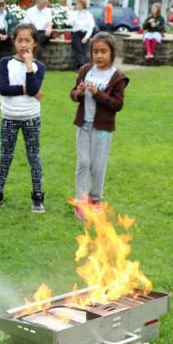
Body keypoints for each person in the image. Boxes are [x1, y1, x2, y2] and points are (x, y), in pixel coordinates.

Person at [0, 23, 46, 213]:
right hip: (9, 117)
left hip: (31, 118)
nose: (23, 44)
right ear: (14, 41)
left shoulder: (39, 67)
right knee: (5, 157)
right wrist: (25, 89)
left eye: (28, 40)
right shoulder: (4, 63)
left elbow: (34, 89)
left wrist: (28, 66)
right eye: (19, 40)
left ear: (34, 44)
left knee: (33, 157)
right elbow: (4, 89)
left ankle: (38, 196)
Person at [70, 32, 129, 217]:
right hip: (83, 125)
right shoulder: (85, 70)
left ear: (112, 52)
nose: (99, 55)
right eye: (95, 51)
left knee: (97, 166)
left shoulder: (117, 77)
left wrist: (97, 93)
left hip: (103, 129)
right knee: (83, 163)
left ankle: (95, 200)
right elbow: (73, 94)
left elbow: (117, 105)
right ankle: (81, 201)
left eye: (104, 51)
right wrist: (78, 93)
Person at [69, 0, 95, 69]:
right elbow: (70, 23)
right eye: (77, 4)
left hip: (85, 34)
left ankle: (82, 66)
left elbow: (91, 27)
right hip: (76, 33)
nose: (77, 5)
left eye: (79, 4)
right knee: (78, 49)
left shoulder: (89, 14)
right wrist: (71, 13)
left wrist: (86, 37)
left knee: (85, 50)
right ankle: (81, 66)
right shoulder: (74, 13)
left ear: (83, 4)